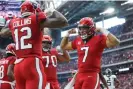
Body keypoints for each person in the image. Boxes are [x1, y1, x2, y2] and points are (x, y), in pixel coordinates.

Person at [0, 1, 68, 89]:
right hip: (32, 62)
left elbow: (2, 33)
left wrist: (12, 23)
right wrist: (52, 11)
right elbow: (63, 22)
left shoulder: (14, 22)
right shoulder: (36, 19)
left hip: (18, 64)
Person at [60, 17, 120, 89]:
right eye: (80, 28)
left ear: (91, 28)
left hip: (92, 74)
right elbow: (63, 46)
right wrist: (67, 34)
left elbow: (115, 42)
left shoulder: (99, 38)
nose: (82, 31)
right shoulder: (78, 40)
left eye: (84, 28)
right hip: (80, 74)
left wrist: (101, 29)